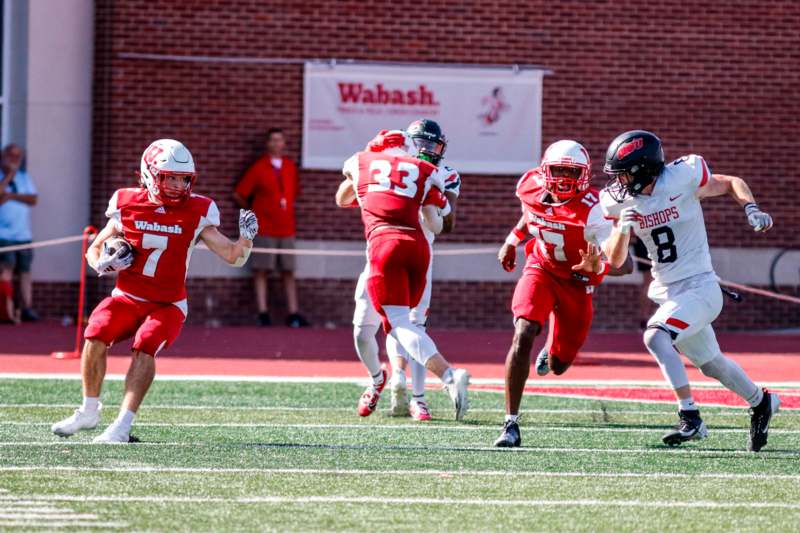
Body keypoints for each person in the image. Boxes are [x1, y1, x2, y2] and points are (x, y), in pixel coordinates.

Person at [52, 139, 258, 443]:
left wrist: (246, 240)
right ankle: (89, 410)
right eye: (169, 177)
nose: (177, 185)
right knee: (95, 331)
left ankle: (122, 425)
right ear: (150, 174)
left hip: (168, 303)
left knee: (146, 343)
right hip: (126, 297)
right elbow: (96, 248)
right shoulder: (126, 202)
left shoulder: (198, 210)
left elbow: (232, 256)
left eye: (182, 179)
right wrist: (103, 262)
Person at [600, 130, 778, 451]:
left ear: (644, 170)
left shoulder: (682, 177)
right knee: (711, 364)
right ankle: (761, 401)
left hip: (701, 287)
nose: (619, 182)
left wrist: (751, 208)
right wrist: (623, 228)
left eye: (625, 173)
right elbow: (614, 262)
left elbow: (730, 182)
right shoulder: (619, 201)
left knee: (655, 336)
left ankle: (690, 417)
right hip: (668, 292)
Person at [494, 140, 633, 448]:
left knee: (559, 366)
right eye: (557, 170)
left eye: (571, 172)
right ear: (545, 170)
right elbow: (531, 214)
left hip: (577, 281)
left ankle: (553, 345)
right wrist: (512, 240)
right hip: (541, 268)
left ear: (584, 175)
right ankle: (510, 423)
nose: (563, 178)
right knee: (524, 330)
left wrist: (600, 265)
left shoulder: (596, 209)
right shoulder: (529, 185)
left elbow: (626, 265)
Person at [335, 128, 470, 420]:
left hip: (412, 250)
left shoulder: (438, 171)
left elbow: (445, 225)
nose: (425, 149)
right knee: (363, 328)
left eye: (431, 145)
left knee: (411, 324)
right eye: (419, 143)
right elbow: (344, 197)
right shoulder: (388, 164)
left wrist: (427, 202)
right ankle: (382, 379)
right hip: (384, 251)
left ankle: (420, 397)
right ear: (407, 144)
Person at [233, 128, 309, 327]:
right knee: (261, 270)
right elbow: (240, 193)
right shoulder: (258, 167)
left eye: (280, 140)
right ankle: (263, 312)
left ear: (284, 144)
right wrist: (252, 213)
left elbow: (293, 193)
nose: (277, 144)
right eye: (273, 140)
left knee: (288, 271)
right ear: (268, 143)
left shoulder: (290, 167)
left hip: (287, 228)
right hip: (264, 228)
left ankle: (293, 313)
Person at [0, 144, 39, 322]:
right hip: (4, 235)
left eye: (18, 157)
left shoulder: (25, 178)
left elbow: (33, 199)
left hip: (23, 235)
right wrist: (9, 175)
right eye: (11, 156)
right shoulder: (3, 177)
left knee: (25, 271)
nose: (14, 160)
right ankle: (6, 310)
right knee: (6, 270)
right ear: (3, 157)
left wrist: (11, 196)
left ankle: (26, 308)